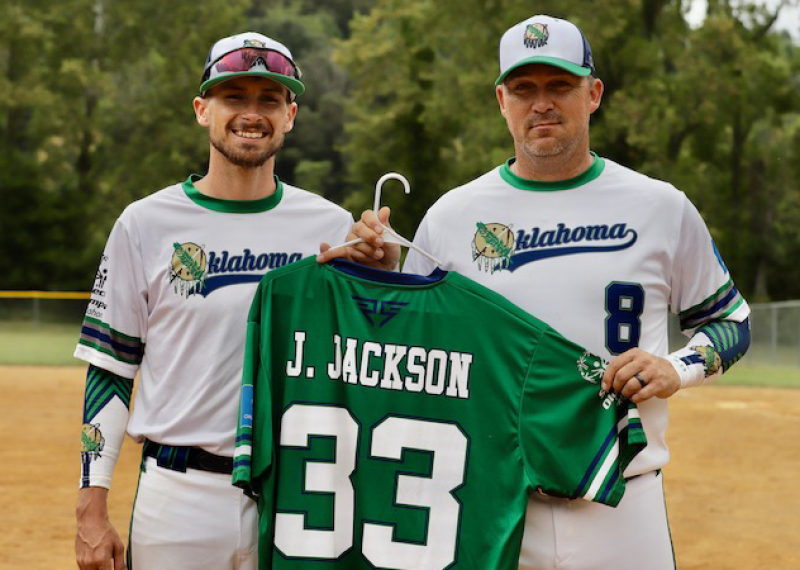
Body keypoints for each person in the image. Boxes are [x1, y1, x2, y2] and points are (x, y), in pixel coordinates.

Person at [319, 14, 751, 570]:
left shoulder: (660, 206)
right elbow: (409, 360)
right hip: (485, 498)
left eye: (559, 86)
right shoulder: (452, 217)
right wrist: (379, 278)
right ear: (502, 100)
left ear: (593, 93)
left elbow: (732, 321)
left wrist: (678, 366)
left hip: (621, 500)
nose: (541, 103)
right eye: (524, 89)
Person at [75, 32, 353, 570]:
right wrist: (92, 506)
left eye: (269, 100)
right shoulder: (145, 223)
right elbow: (110, 372)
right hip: (180, 497)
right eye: (234, 98)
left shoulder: (330, 229)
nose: (252, 113)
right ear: (203, 109)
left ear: (290, 114)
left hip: (299, 493)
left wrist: (381, 277)